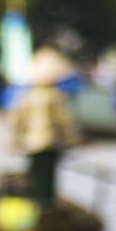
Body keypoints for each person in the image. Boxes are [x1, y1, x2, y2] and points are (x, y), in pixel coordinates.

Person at [8, 47, 82, 207]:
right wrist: (74, 140)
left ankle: (35, 204)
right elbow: (65, 122)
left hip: (31, 143)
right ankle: (45, 206)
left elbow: (16, 122)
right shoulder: (56, 97)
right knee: (47, 178)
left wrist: (16, 140)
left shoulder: (26, 96)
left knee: (34, 176)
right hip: (50, 143)